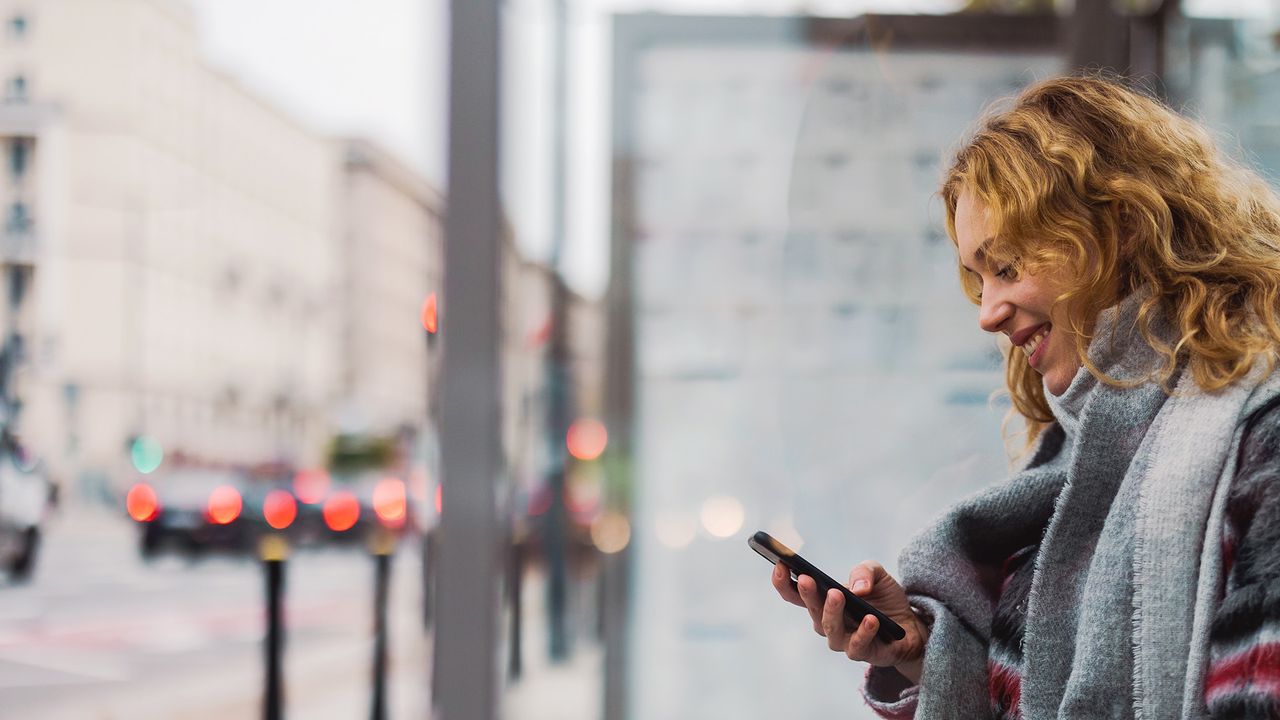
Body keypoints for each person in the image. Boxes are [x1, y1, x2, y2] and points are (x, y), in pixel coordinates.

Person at [770, 74, 1280, 719]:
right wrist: (920, 654)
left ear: (1122, 229)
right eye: (979, 278)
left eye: (1009, 266)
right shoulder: (1079, 469)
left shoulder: (1260, 442)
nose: (987, 313)